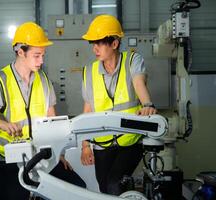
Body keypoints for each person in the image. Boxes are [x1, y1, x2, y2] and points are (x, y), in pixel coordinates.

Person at [0, 21, 85, 200]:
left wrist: (58, 152)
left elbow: (51, 116)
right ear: (21, 52)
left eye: (43, 55)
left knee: (77, 187)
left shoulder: (43, 79)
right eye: (37, 55)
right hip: (4, 159)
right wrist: (4, 124)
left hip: (37, 156)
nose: (42, 61)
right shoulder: (1, 80)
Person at [80, 15, 157, 195]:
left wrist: (147, 104)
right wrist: (85, 145)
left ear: (114, 43)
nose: (94, 49)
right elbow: (88, 109)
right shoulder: (89, 71)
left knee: (115, 184)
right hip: (102, 143)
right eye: (93, 44)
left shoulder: (132, 61)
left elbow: (139, 83)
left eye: (99, 44)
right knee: (104, 188)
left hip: (129, 141)